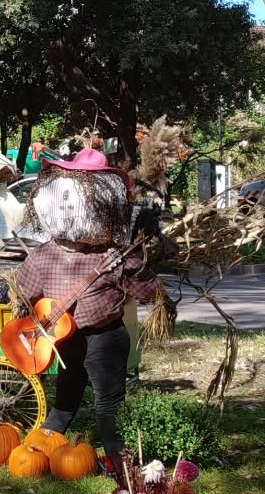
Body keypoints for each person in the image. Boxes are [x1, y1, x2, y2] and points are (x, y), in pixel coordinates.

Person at [16, 148, 170, 474]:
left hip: (73, 341)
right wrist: (145, 266)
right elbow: (148, 292)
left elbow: (25, 294)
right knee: (104, 405)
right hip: (95, 339)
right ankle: (119, 464)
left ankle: (39, 456)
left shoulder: (44, 256)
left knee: (73, 402)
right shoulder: (111, 257)